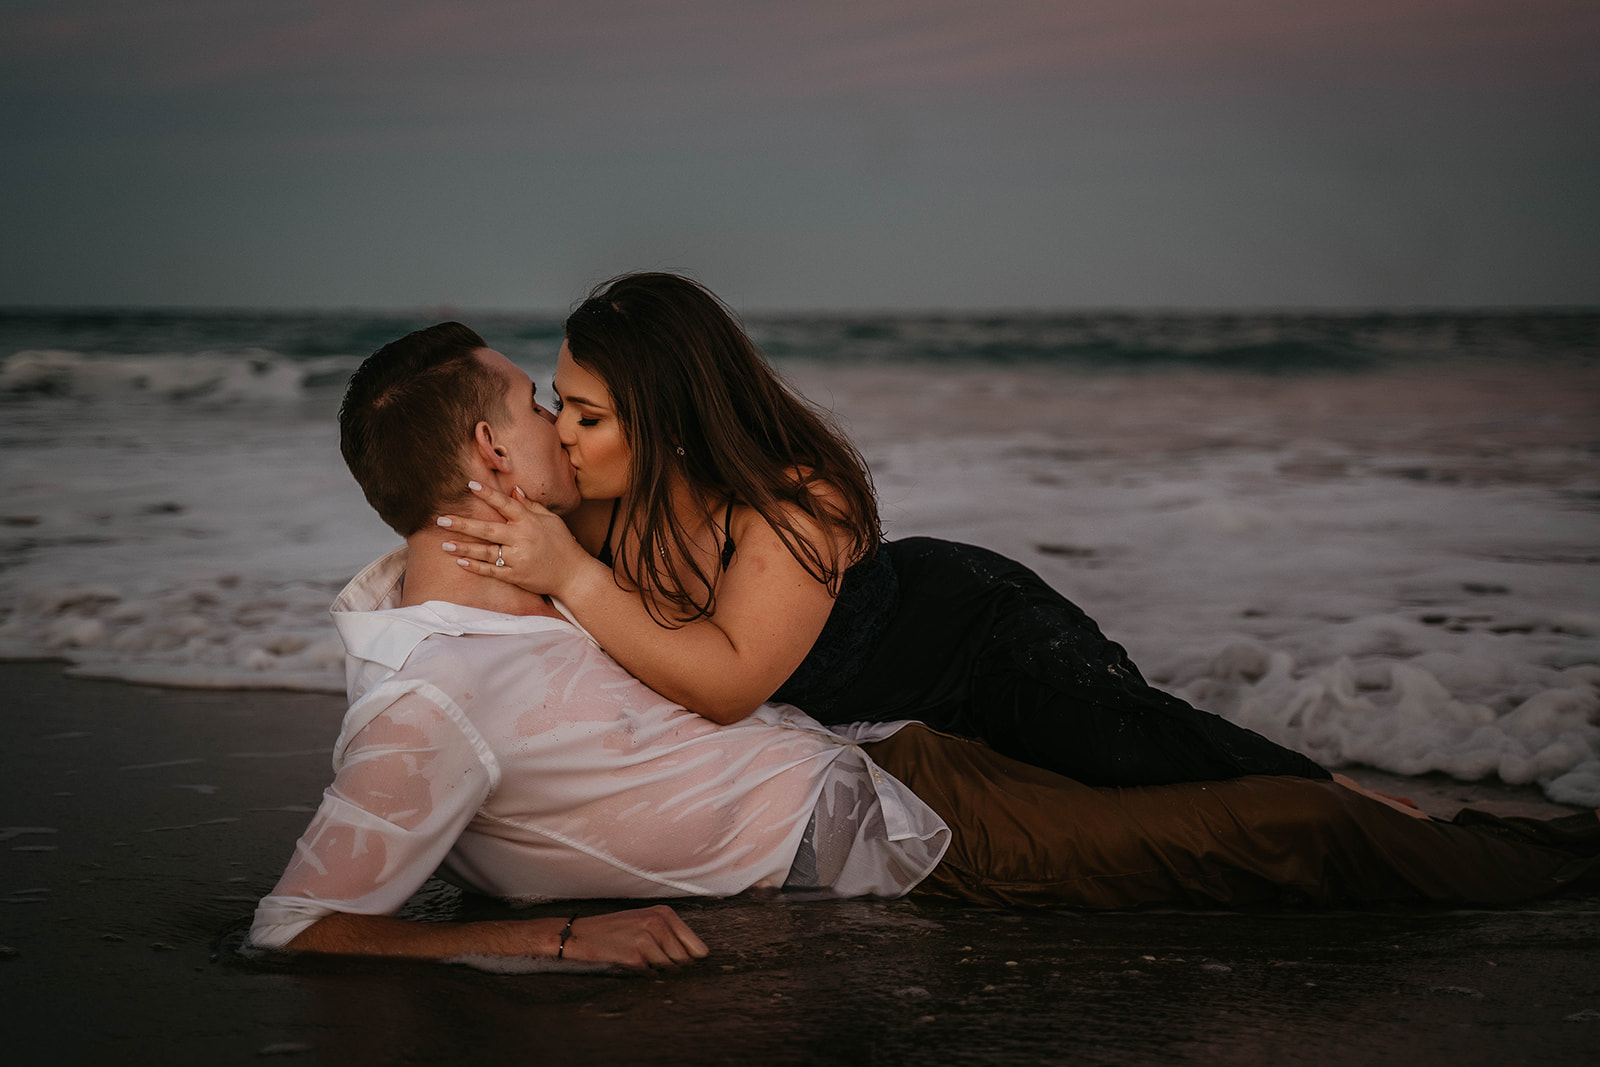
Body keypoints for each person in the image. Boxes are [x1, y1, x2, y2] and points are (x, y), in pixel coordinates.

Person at [252, 323, 1600, 967]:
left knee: (1221, 782)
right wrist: (546, 946)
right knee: (1288, 830)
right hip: (917, 822)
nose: (562, 422)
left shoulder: (527, 578)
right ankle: (1545, 855)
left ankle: (1498, 842)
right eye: (539, 406)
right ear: (493, 450)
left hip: (919, 721)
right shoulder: (434, 687)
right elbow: (300, 925)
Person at [438, 272, 1330, 787]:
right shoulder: (605, 491)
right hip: (894, 700)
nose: (562, 431)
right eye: (560, 403)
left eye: (587, 416)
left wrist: (576, 577)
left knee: (1152, 756)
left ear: (670, 421)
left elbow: (730, 685)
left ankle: (1345, 797)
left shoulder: (795, 502)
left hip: (981, 641)